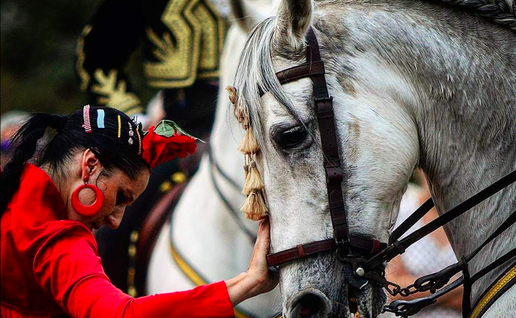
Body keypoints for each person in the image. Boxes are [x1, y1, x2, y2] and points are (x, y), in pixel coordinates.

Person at [0, 105, 277, 318]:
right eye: (121, 197)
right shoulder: (59, 240)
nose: (116, 220)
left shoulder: (11, 188)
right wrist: (249, 282)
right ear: (90, 165)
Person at [75, 0, 228, 293]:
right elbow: (97, 55)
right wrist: (131, 120)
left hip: (279, 127)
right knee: (110, 227)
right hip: (180, 132)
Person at [385, 172, 462, 318]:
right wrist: (458, 286)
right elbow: (393, 290)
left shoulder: (470, 217)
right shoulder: (400, 216)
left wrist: (417, 297)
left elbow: (482, 291)